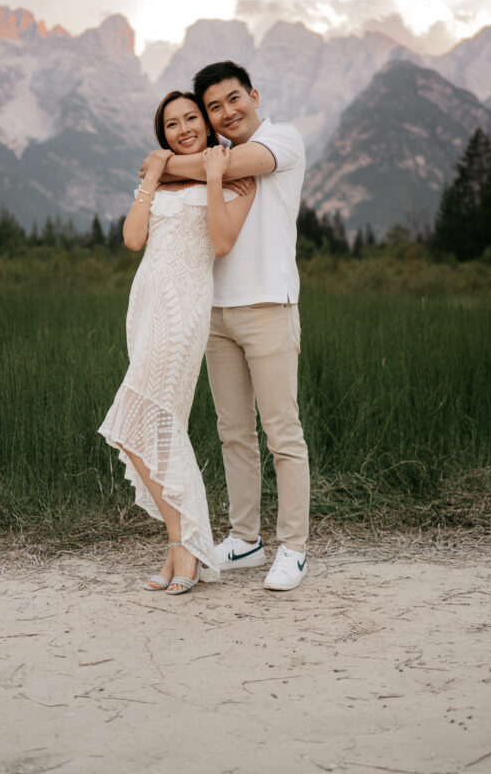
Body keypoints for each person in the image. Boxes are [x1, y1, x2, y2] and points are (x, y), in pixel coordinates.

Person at [139, 61, 309, 591]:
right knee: (233, 432)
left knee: (282, 432)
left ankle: (294, 549)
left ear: (254, 95)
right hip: (213, 311)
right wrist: (187, 166)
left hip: (268, 305)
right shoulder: (214, 159)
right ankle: (245, 539)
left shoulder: (282, 139)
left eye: (234, 99)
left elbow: (239, 163)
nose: (227, 112)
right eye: (214, 107)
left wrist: (161, 167)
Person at [98, 91, 256, 595]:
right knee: (155, 424)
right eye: (172, 124)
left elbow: (222, 241)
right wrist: (150, 179)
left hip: (185, 305)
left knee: (143, 418)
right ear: (162, 133)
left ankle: (186, 544)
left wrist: (211, 176)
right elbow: (132, 238)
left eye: (192, 118)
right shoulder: (159, 179)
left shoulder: (234, 175)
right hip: (145, 303)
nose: (184, 128)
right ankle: (179, 546)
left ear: (207, 126)